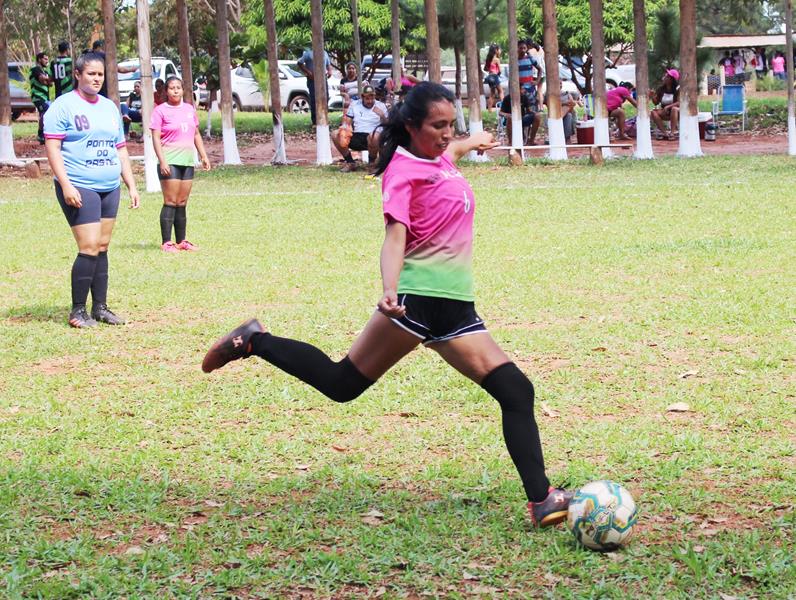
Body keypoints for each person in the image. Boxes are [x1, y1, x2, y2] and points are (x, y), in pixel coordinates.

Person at [201, 82, 574, 528]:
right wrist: (390, 288)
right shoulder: (402, 172)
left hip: (454, 305)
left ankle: (542, 500)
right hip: (416, 300)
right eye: (437, 126)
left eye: (449, 124)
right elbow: (394, 237)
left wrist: (470, 140)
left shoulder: (437, 156)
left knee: (516, 391)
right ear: (412, 127)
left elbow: (448, 154)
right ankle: (254, 340)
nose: (445, 133)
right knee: (342, 384)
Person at [43, 52, 140, 328]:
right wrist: (66, 184)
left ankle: (100, 308)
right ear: (77, 74)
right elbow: (53, 148)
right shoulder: (62, 107)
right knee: (88, 247)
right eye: (91, 74)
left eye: (100, 74)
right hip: (79, 185)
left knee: (102, 246)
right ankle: (77, 311)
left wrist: (131, 184)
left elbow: (120, 149)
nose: (96, 79)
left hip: (109, 187)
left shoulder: (110, 107)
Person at [150, 76, 211, 253]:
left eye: (178, 87)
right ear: (166, 91)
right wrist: (162, 161)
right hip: (170, 161)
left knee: (182, 202)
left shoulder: (189, 109)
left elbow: (196, 134)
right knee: (170, 201)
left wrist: (203, 155)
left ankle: (182, 240)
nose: (175, 90)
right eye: (172, 88)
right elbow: (155, 137)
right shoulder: (160, 111)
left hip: (187, 161)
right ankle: (167, 242)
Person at [332, 84, 387, 172]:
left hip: (374, 137)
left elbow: (387, 125)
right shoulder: (354, 104)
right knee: (335, 134)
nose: (369, 101)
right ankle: (350, 162)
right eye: (367, 99)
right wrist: (344, 128)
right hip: (357, 135)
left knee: (374, 136)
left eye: (372, 98)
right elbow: (348, 122)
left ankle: (372, 163)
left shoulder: (381, 106)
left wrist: (382, 115)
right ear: (362, 97)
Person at [297, 48, 332, 125]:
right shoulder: (308, 53)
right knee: (314, 99)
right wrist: (308, 72)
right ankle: (315, 121)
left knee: (325, 98)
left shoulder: (324, 52)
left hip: (323, 79)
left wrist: (330, 71)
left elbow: (328, 64)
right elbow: (299, 63)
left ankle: (324, 118)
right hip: (312, 80)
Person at [650, 69, 680, 140]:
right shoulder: (661, 89)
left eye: (667, 77)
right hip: (665, 111)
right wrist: (652, 96)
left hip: (677, 111)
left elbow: (679, 102)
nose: (665, 78)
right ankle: (665, 133)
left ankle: (672, 133)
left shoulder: (678, 89)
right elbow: (656, 103)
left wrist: (668, 106)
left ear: (672, 80)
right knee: (653, 112)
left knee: (674, 109)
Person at [30, 52, 52, 145]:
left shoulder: (45, 71)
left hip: (45, 97)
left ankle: (42, 135)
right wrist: (47, 80)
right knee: (45, 112)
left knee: (45, 114)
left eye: (47, 59)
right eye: (45, 59)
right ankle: (40, 134)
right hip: (38, 97)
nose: (47, 61)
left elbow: (50, 83)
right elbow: (43, 79)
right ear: (39, 59)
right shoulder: (35, 69)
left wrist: (47, 80)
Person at [515, 40, 543, 111]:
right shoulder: (514, 60)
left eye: (524, 48)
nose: (523, 50)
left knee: (532, 110)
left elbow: (540, 69)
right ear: (517, 48)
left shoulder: (530, 58)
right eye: (521, 48)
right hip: (520, 90)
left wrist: (537, 81)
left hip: (530, 89)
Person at [483, 44, 503, 110]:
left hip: (489, 77)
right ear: (496, 50)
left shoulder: (488, 59)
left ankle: (489, 110)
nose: (500, 51)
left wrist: (490, 70)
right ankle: (503, 107)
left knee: (492, 94)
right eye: (499, 49)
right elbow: (500, 70)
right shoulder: (496, 59)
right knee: (501, 91)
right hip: (494, 76)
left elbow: (485, 69)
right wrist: (498, 74)